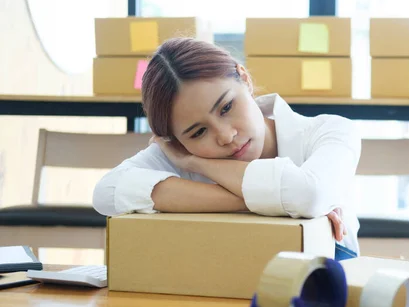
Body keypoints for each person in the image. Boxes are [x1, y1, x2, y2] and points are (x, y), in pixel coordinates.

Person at [92, 37, 361, 260]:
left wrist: (198, 164)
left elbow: (308, 193)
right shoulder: (176, 150)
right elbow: (107, 192)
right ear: (175, 140)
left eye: (226, 107)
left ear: (244, 78)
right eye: (198, 132)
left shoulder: (330, 131)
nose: (226, 136)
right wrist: (276, 203)